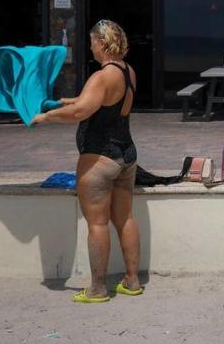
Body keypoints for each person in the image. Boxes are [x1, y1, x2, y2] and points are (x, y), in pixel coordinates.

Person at [32, 19, 143, 302]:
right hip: (126, 155)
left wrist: (45, 117)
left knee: (97, 224)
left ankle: (96, 289)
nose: (90, 46)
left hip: (99, 157)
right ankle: (132, 282)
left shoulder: (102, 76)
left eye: (92, 41)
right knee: (125, 218)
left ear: (102, 43)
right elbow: (93, 101)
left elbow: (82, 111)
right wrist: (63, 102)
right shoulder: (127, 71)